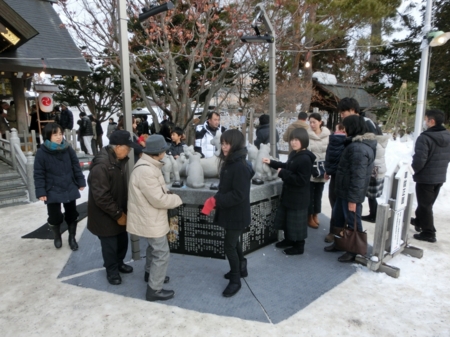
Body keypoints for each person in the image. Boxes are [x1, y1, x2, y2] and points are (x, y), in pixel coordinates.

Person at [127, 134, 183, 302]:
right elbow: (158, 199)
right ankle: (154, 289)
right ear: (158, 152)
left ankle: (151, 275)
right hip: (150, 218)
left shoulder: (149, 166)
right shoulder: (146, 170)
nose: (165, 153)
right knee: (161, 252)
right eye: (164, 150)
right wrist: (177, 199)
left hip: (150, 216)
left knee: (153, 248)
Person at [202, 129, 255, 297]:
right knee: (234, 242)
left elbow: (239, 194)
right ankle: (241, 267)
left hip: (236, 213)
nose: (224, 147)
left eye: (227, 144)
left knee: (229, 246)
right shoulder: (231, 161)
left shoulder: (239, 166)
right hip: (232, 212)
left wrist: (217, 201)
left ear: (236, 145)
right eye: (223, 143)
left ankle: (235, 279)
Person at [87, 130, 141, 285]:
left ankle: (119, 263)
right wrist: (118, 214)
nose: (130, 150)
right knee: (110, 245)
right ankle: (111, 271)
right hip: (105, 214)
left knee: (121, 241)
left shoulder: (116, 161)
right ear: (118, 147)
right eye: (128, 147)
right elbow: (101, 197)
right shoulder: (102, 166)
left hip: (118, 209)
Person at [324, 115, 376, 263]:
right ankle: (340, 243)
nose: (344, 130)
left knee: (353, 220)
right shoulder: (353, 144)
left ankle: (354, 249)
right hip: (343, 191)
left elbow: (358, 177)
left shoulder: (358, 148)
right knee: (339, 217)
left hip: (350, 193)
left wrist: (353, 199)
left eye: (346, 127)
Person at [33, 123, 86, 250]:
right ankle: (57, 235)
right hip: (52, 189)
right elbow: (38, 174)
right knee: (54, 216)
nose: (58, 137)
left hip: (68, 185)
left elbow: (75, 166)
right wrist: (41, 191)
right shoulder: (41, 152)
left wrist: (80, 181)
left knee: (72, 214)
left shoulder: (68, 149)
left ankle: (72, 238)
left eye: (60, 134)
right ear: (47, 136)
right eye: (55, 134)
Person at [263, 128, 315, 255]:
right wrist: (272, 163)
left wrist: (283, 173)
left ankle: (299, 246)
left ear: (304, 140)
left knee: (296, 223)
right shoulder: (294, 154)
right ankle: (288, 240)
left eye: (296, 140)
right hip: (290, 195)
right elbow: (287, 166)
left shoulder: (305, 159)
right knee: (288, 220)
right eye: (292, 140)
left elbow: (301, 180)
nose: (293, 142)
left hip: (299, 197)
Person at [411, 109, 450, 243]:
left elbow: (420, 160)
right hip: (439, 176)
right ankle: (419, 220)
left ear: (431, 121)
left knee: (425, 205)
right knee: (427, 203)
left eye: (426, 119)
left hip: (426, 177)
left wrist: (413, 170)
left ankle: (428, 232)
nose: (425, 122)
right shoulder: (447, 135)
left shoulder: (425, 138)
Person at [323, 123, 348, 243]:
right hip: (342, 176)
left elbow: (328, 156)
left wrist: (328, 170)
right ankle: (340, 230)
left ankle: (334, 231)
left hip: (335, 176)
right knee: (340, 205)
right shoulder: (347, 140)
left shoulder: (332, 140)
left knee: (335, 204)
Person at [307, 112, 330, 229]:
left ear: (320, 122)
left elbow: (330, 152)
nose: (312, 124)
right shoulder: (307, 135)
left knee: (319, 193)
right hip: (312, 168)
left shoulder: (327, 135)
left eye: (314, 122)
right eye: (310, 122)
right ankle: (309, 216)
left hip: (323, 168)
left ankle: (316, 214)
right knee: (310, 193)